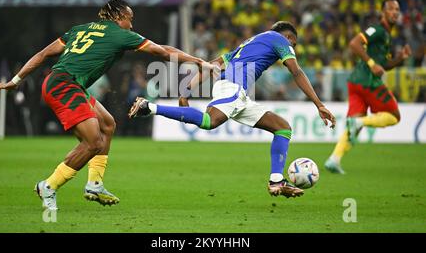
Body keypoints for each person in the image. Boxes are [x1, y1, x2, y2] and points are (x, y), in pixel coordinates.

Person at [0, 0, 215, 210]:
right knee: (93, 142)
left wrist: (15, 81)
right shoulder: (120, 35)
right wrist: (197, 61)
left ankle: (95, 184)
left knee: (107, 125)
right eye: (130, 19)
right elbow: (164, 52)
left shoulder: (79, 29)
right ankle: (48, 186)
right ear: (119, 17)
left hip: (64, 83)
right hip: (64, 86)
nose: (132, 25)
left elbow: (43, 55)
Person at [129, 21, 336, 198]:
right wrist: (319, 104)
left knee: (283, 128)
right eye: (294, 44)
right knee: (210, 121)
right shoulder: (279, 39)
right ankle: (149, 107)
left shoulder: (247, 45)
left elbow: (212, 65)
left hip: (239, 93)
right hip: (234, 87)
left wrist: (186, 91)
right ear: (289, 37)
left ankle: (276, 181)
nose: (293, 48)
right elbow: (296, 71)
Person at [325, 0, 412, 174]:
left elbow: (384, 65)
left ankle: (334, 159)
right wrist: (371, 63)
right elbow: (354, 44)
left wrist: (399, 58)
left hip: (356, 82)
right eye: (391, 9)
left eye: (397, 9)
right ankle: (360, 122)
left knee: (353, 126)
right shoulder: (378, 30)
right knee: (394, 116)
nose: (395, 12)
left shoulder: (386, 35)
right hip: (368, 82)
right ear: (383, 13)